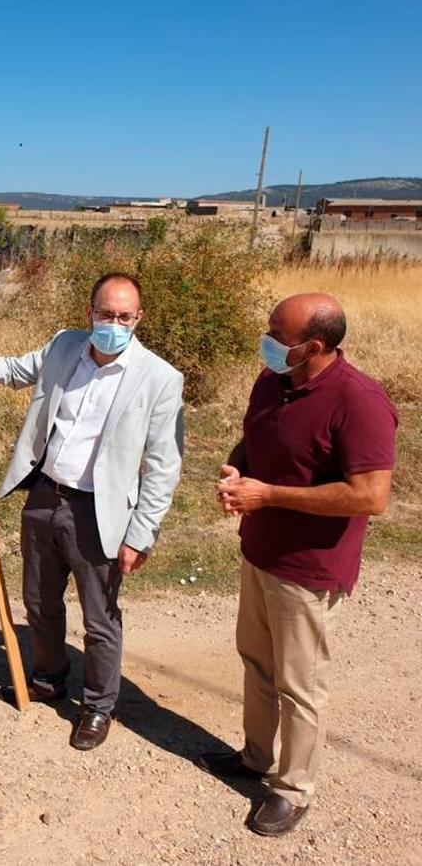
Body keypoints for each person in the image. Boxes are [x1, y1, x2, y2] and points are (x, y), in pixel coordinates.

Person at [0, 272, 183, 750]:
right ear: (90, 313)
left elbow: (164, 465)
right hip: (46, 496)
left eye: (124, 317)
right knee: (39, 601)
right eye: (106, 314)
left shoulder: (160, 379)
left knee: (99, 619)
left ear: (138, 319)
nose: (114, 323)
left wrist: (141, 533)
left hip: (101, 514)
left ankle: (98, 706)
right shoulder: (65, 347)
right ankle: (49, 676)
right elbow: (15, 371)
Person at [197, 293, 396, 837]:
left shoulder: (360, 401)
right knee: (256, 663)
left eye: (276, 334)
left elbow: (370, 496)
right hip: (259, 551)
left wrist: (270, 497)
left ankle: (293, 788)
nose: (266, 339)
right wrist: (236, 469)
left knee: (298, 682)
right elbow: (255, 438)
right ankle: (257, 756)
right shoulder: (273, 381)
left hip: (309, 570)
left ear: (314, 346)